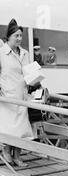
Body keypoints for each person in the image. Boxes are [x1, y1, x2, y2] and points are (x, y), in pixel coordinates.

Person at [0, 19, 34, 167]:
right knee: (9, 127)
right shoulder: (1, 53)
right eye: (17, 36)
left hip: (22, 96)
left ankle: (18, 156)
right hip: (7, 97)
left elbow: (30, 73)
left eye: (21, 36)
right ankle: (6, 152)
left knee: (21, 128)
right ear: (9, 37)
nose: (20, 39)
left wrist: (35, 81)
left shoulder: (25, 53)